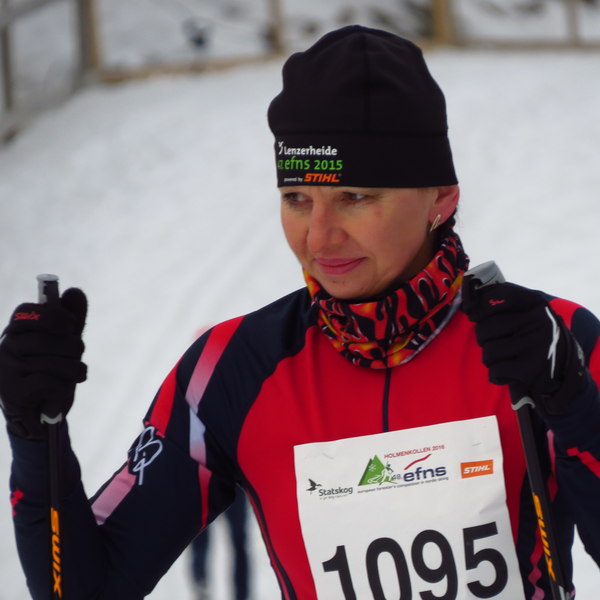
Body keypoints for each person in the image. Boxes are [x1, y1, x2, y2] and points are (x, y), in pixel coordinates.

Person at [0, 24, 599, 600]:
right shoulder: (230, 369)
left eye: (355, 197)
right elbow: (86, 588)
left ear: (440, 196)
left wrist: (574, 406)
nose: (319, 237)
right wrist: (35, 434)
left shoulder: (546, 345)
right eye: (297, 198)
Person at [189, 479, 249, 600]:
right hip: (205, 478)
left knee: (239, 541)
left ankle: (241, 594)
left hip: (232, 481)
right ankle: (201, 585)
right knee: (199, 536)